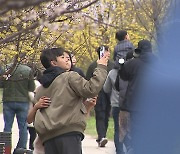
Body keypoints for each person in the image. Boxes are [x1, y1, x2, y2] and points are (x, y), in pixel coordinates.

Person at [33, 47, 108, 154]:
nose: (68, 59)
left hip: (48, 137)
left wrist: (86, 106)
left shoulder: (41, 88)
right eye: (63, 57)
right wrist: (101, 67)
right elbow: (91, 89)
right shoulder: (70, 77)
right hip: (68, 133)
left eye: (68, 57)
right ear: (54, 63)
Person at [119, 40, 155, 154]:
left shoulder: (133, 63)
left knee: (136, 128)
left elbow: (123, 75)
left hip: (135, 102)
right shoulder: (158, 62)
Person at [0, 54, 35, 153]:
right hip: (22, 101)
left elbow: (1, 83)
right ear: (25, 58)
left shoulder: (6, 68)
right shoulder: (28, 70)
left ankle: (5, 149)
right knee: (23, 127)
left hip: (8, 100)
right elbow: (31, 88)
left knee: (7, 126)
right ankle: (21, 149)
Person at [86, 45, 114, 147]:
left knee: (106, 114)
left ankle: (104, 135)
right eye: (107, 51)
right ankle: (101, 136)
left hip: (109, 93)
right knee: (100, 114)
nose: (109, 53)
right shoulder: (93, 65)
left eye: (109, 51)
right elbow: (88, 80)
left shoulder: (112, 65)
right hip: (98, 94)